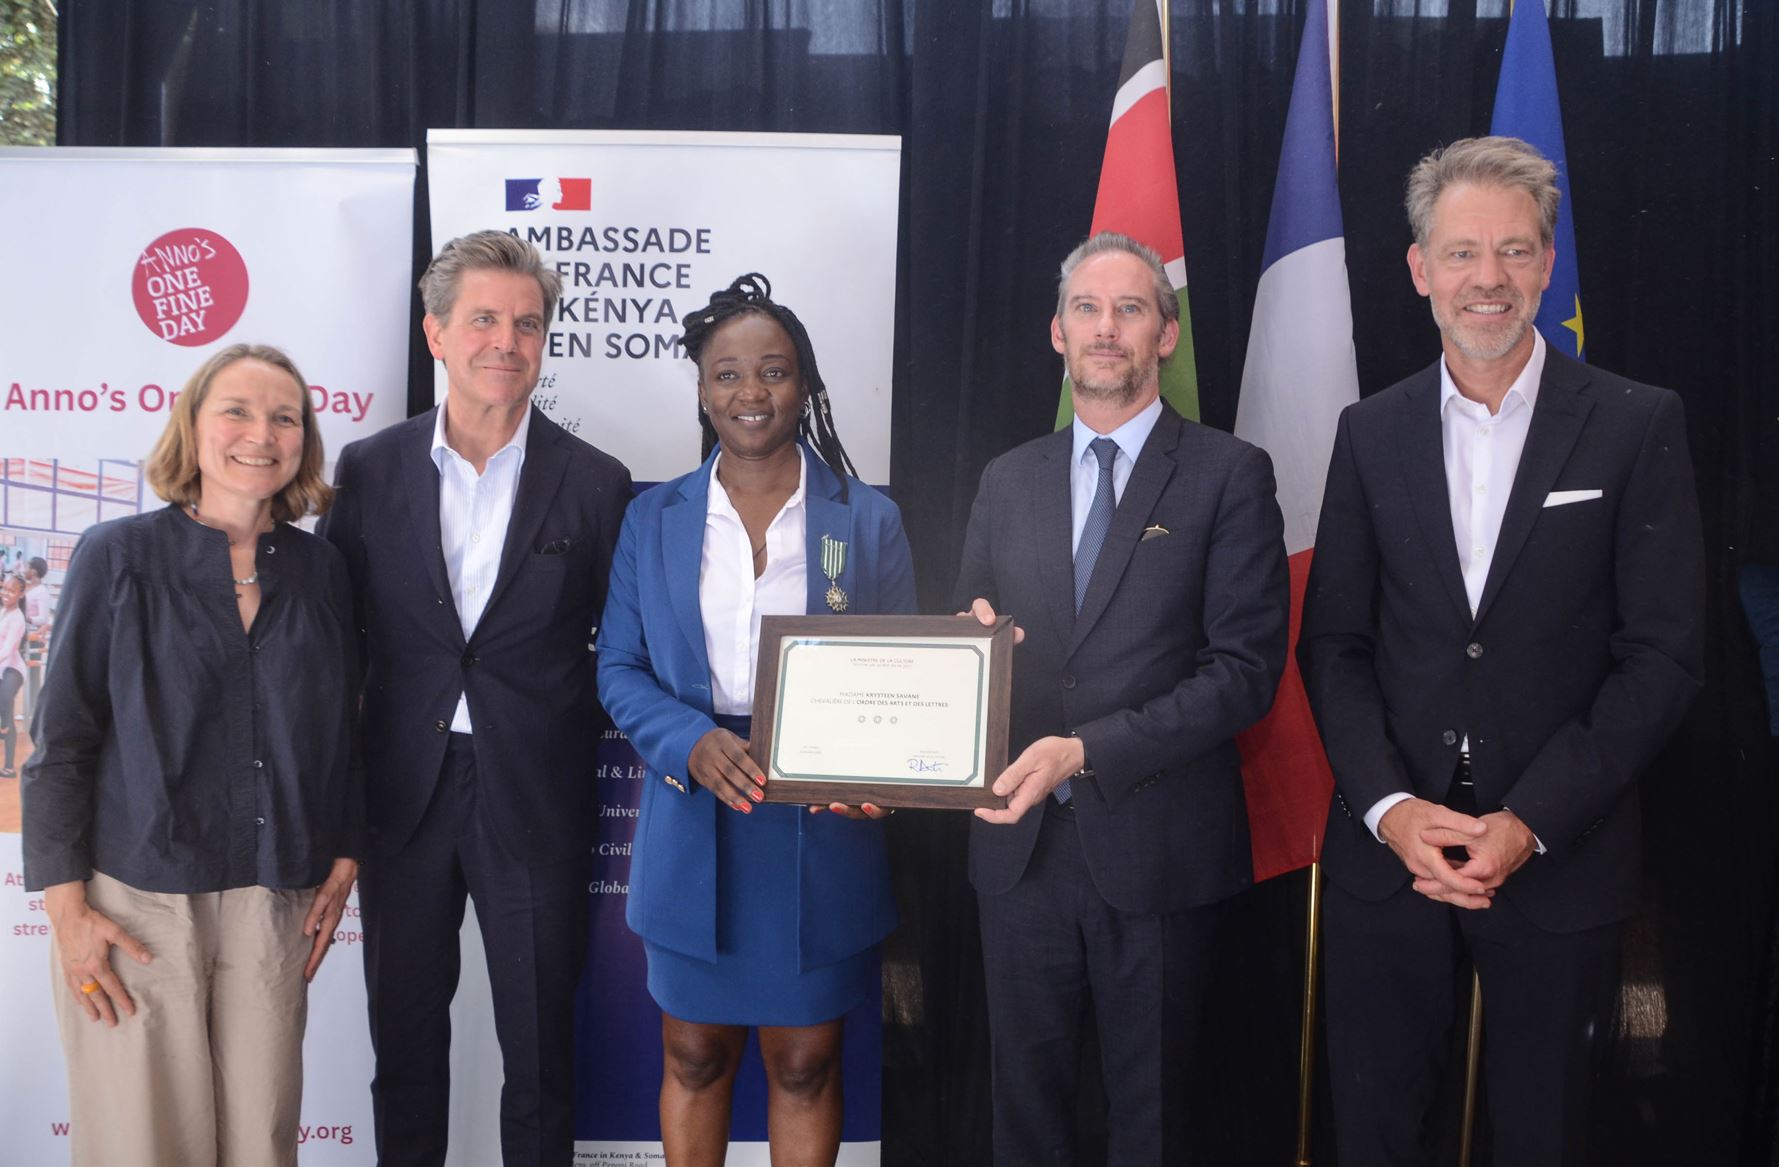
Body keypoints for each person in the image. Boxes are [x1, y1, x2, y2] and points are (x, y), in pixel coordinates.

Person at [1298, 136, 1706, 1165]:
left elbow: (1662, 657)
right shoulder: (1368, 432)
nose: (1490, 279)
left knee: (1545, 1139)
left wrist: (1530, 820)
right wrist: (1390, 812)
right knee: (1378, 1138)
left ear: (1548, 263)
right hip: (1392, 868)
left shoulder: (1634, 424)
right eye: (1465, 252)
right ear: (1420, 268)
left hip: (1560, 859)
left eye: (1516, 252)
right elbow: (1334, 646)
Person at [955, 232, 1289, 1165]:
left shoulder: (1229, 474)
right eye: (1087, 310)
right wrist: (968, 639)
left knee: (1150, 1121)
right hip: (1015, 849)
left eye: (1129, 309)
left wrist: (1087, 748)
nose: (1106, 329)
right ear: (1056, 333)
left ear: (1165, 335)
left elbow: (1243, 671)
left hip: (1159, 850)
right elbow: (967, 618)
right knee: (1023, 1116)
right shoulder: (1006, 477)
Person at [318, 229, 633, 1167]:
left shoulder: (597, 483)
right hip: (402, 794)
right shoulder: (370, 470)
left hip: (533, 796)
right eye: (484, 319)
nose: (507, 340)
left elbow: (621, 648)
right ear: (436, 334)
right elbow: (336, 647)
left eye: (527, 323)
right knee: (404, 1045)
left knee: (541, 1052)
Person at [596, 273, 914, 1166]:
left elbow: (898, 676)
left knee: (807, 1063)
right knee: (694, 1054)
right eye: (727, 373)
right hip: (694, 808)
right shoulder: (651, 519)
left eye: (772, 371)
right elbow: (617, 666)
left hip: (819, 819)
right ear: (700, 389)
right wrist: (686, 742)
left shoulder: (869, 520)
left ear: (805, 385)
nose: (750, 392)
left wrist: (882, 775)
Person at [21, 343, 361, 1166]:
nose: (262, 433)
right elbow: (61, 739)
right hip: (136, 900)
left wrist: (346, 854)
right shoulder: (118, 555)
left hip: (271, 893)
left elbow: (345, 727)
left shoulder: (322, 569)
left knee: (260, 1139)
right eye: (237, 411)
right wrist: (66, 912)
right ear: (193, 427)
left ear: (304, 440)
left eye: (285, 416)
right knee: (144, 1144)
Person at [20, 556, 51, 720]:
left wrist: (25, 617)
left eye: (27, 566)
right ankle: (27, 710)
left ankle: (33, 711)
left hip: (35, 636)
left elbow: (43, 618)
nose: (25, 569)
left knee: (33, 673)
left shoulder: (42, 592)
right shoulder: (28, 588)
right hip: (23, 635)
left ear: (34, 571)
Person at [0, 575, 24, 778]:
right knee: (6, 713)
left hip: (13, 668)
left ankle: (3, 725)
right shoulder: (3, 612)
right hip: (2, 668)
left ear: (20, 594)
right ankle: (8, 768)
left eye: (11, 591)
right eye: (4, 589)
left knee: (5, 701)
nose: (6, 593)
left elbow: (8, 650)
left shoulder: (17, 618)